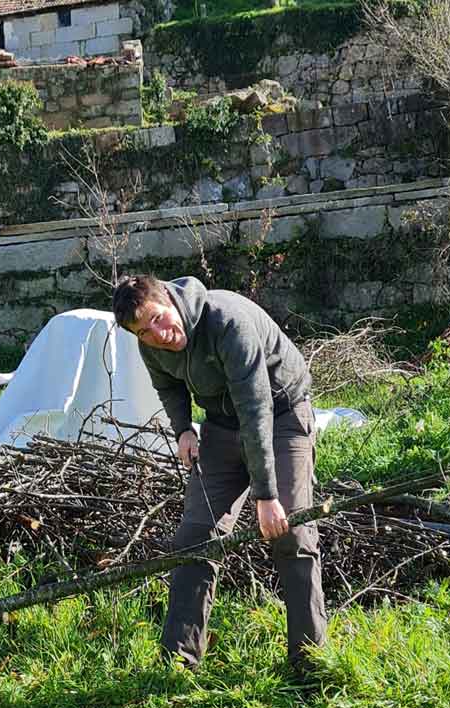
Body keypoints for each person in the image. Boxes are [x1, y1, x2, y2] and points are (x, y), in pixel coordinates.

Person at [112, 274, 327, 678]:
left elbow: (256, 409)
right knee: (195, 538)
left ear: (169, 300)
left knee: (292, 532)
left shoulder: (227, 321)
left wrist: (267, 495)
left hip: (280, 415)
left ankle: (309, 661)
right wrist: (183, 429)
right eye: (143, 331)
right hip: (222, 425)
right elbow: (168, 385)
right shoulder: (150, 344)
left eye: (158, 319)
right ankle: (179, 663)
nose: (159, 335)